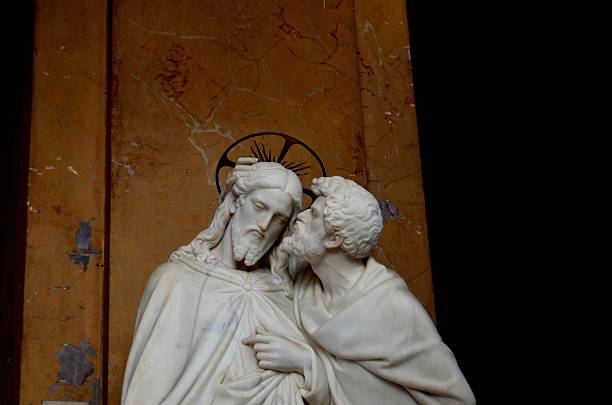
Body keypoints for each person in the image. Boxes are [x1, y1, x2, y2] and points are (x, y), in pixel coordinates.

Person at [246, 176, 475, 404]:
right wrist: (240, 183)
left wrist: (307, 363)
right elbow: (246, 244)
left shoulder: (394, 308)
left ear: (334, 239)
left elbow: (456, 401)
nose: (299, 217)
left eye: (314, 214)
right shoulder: (305, 279)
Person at [121, 158, 328, 405]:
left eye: (279, 219)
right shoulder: (176, 281)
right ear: (233, 202)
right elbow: (146, 389)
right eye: (259, 206)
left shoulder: (285, 293)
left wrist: (304, 361)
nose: (264, 225)